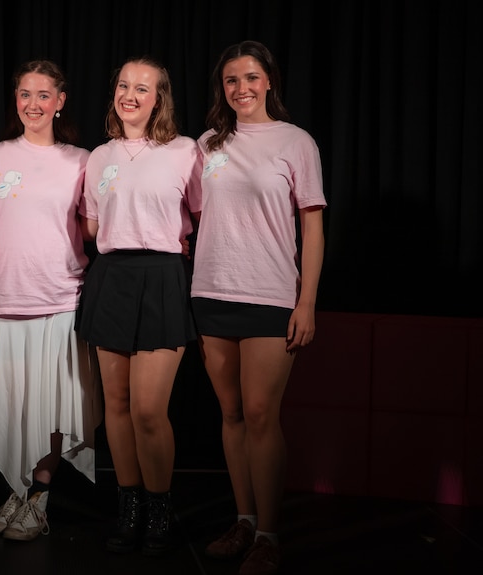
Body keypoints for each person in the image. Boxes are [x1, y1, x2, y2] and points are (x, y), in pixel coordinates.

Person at [189, 40, 326, 575]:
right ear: (222, 89)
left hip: (271, 295)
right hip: (212, 292)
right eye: (230, 81)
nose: (241, 88)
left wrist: (306, 301)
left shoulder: (296, 142)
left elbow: (312, 225)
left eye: (250, 78)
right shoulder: (208, 143)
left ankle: (269, 534)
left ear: (269, 80)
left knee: (263, 415)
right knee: (231, 414)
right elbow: (194, 212)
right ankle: (243, 519)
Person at [0, 60, 102, 542]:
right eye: (25, 94)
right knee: (12, 403)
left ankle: (39, 496)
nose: (33, 104)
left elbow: (94, 228)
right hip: (5, 297)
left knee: (50, 406)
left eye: (44, 95)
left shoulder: (83, 160)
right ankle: (16, 487)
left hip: (60, 298)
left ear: (61, 100)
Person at [77, 56, 198, 556]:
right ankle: (128, 510)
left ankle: (159, 509)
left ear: (159, 97)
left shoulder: (185, 151)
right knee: (117, 407)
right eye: (123, 85)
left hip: (162, 277)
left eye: (141, 88)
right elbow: (90, 225)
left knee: (150, 409)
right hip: (111, 277)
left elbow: (203, 214)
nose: (130, 94)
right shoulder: (98, 157)